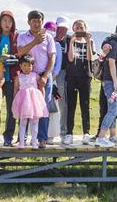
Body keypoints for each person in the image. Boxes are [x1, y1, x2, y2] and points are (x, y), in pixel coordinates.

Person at [16, 11, 55, 147]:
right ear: (28, 22)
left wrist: (45, 76)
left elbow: (52, 57)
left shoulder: (49, 38)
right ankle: (23, 139)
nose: (36, 23)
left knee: (43, 107)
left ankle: (42, 138)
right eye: (33, 21)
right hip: (27, 76)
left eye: (39, 21)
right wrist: (35, 41)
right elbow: (20, 52)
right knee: (25, 108)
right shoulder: (22, 36)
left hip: (43, 75)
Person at [96, 22, 117, 147]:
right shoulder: (114, 44)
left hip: (116, 82)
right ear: (116, 32)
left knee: (113, 109)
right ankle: (101, 137)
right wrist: (115, 82)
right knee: (113, 109)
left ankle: (113, 136)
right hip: (111, 82)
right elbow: (111, 63)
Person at [64, 20, 94, 145]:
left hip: (85, 76)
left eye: (81, 27)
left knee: (85, 105)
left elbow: (90, 58)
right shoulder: (68, 40)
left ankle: (86, 133)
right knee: (71, 106)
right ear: (73, 29)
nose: (79, 30)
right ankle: (69, 133)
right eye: (77, 28)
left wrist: (87, 41)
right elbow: (70, 58)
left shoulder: (90, 41)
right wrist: (71, 41)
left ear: (85, 29)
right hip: (71, 76)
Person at [12, 55, 49, 148]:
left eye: (29, 65)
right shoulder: (18, 77)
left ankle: (34, 142)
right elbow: (15, 90)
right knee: (23, 122)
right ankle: (21, 142)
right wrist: (15, 102)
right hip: (23, 103)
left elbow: (41, 87)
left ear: (32, 66)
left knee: (34, 122)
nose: (27, 68)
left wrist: (42, 99)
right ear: (20, 66)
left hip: (34, 102)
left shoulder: (35, 76)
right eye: (24, 65)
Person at [0, 10, 20, 146]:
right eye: (4, 20)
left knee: (11, 109)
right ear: (0, 22)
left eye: (9, 21)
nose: (6, 23)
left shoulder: (16, 38)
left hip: (11, 78)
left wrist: (11, 58)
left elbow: (20, 55)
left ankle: (8, 137)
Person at [54, 16, 72, 142]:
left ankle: (63, 131)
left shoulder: (69, 39)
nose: (62, 31)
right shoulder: (49, 38)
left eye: (65, 28)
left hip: (62, 74)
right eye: (60, 28)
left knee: (62, 103)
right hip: (48, 73)